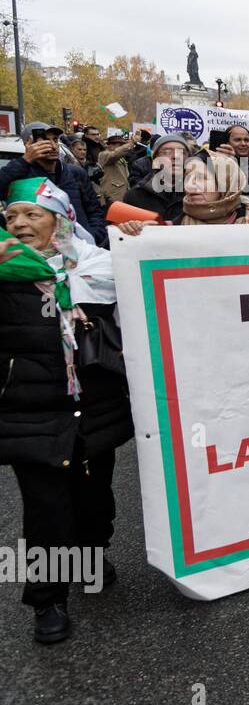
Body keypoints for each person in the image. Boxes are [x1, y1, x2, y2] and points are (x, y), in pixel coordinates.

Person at [0, 179, 131, 644]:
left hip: (94, 409)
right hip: (29, 412)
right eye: (11, 216)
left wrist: (140, 240)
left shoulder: (102, 268)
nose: (18, 225)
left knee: (95, 500)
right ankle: (48, 599)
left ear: (61, 220)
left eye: (31, 215)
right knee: (45, 509)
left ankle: (92, 556)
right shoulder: (2, 271)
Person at [0, 123, 108, 248]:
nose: (53, 146)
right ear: (27, 144)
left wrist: (92, 235)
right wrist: (25, 160)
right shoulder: (18, 176)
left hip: (82, 251)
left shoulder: (76, 173)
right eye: (44, 140)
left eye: (55, 140)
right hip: (41, 254)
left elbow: (94, 211)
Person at [122, 134, 194, 224]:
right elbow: (117, 235)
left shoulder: (198, 195)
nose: (175, 156)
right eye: (167, 152)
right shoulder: (135, 196)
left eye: (181, 152)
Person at [177, 152, 249, 226]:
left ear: (225, 183)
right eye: (187, 178)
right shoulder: (172, 228)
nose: (189, 186)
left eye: (200, 177)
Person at [95, 133, 136, 204]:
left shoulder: (121, 158)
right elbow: (115, 155)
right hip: (111, 196)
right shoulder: (104, 155)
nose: (122, 147)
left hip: (121, 194)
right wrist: (131, 143)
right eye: (120, 145)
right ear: (110, 145)